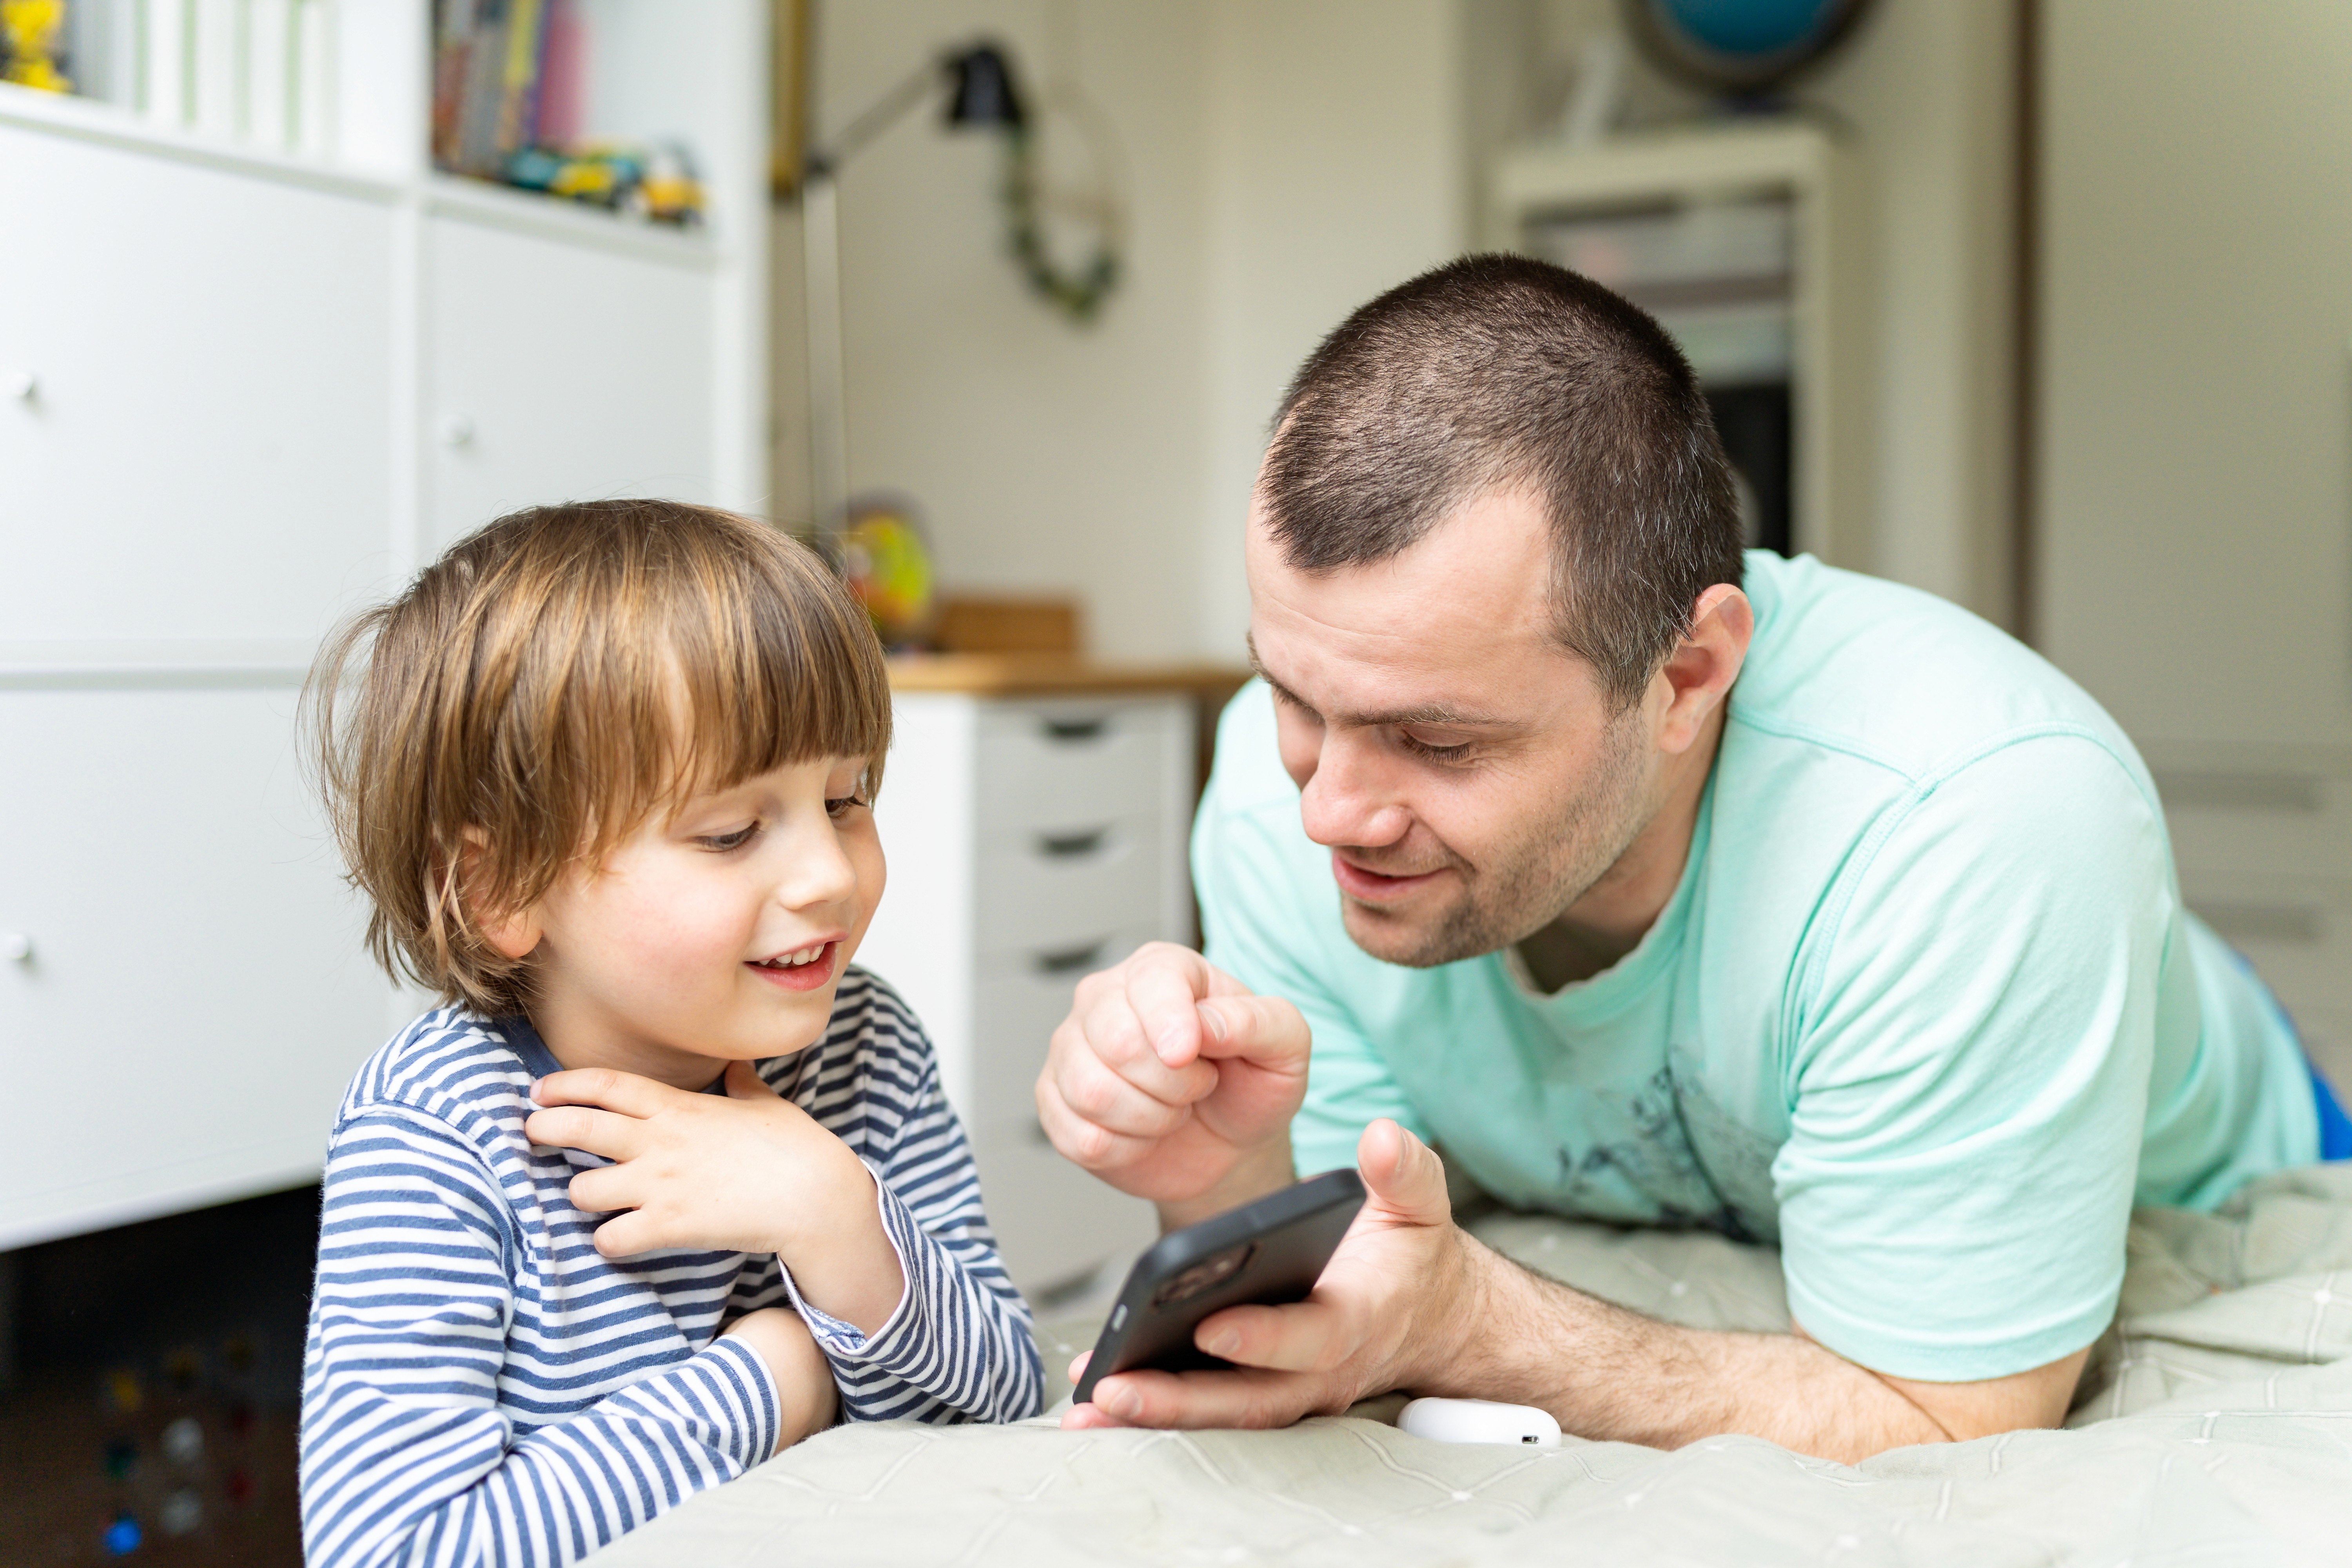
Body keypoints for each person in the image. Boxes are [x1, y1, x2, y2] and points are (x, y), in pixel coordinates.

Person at [1038, 256, 2345, 1464]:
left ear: (1687, 676)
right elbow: (1338, 1274)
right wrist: (1220, 1179)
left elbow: (1951, 1418)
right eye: (1298, 699)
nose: (1333, 808)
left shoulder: (1976, 823)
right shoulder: (1280, 808)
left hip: (2206, 1163)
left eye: (1435, 740)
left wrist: (1473, 1324)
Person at [298, 501, 1040, 1568]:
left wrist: (836, 1219)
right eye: (731, 832)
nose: (830, 875)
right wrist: (774, 1375)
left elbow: (1004, 1395)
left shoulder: (865, 1047)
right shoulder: (436, 1133)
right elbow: (395, 1551)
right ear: (500, 883)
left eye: (846, 799)